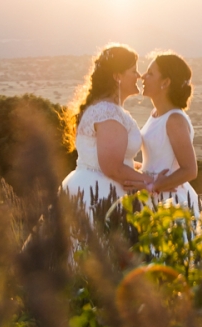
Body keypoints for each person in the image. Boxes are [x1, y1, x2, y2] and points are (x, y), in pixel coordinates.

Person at [61, 45, 148, 219]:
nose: (138, 76)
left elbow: (111, 157)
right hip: (101, 193)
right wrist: (152, 182)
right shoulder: (108, 112)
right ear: (117, 77)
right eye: (133, 71)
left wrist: (140, 168)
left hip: (91, 187)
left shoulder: (106, 109)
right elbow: (112, 168)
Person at [137, 52, 202, 220]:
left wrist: (155, 185)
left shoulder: (174, 120)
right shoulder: (155, 114)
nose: (143, 76)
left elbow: (190, 170)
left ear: (165, 82)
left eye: (150, 73)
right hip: (149, 195)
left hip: (169, 202)